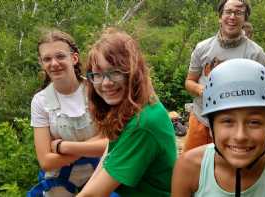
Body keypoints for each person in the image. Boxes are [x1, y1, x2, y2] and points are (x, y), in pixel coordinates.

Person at [172, 58, 265, 197]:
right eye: (227, 121)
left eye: (254, 122)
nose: (240, 136)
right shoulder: (189, 167)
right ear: (211, 128)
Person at [76, 28, 177, 197]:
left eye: (115, 72)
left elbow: (94, 195)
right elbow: (109, 154)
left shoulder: (143, 123)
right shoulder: (134, 106)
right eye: (98, 75)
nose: (106, 83)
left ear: (133, 72)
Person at [28, 29, 107, 197]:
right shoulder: (40, 101)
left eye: (60, 56)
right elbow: (46, 161)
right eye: (47, 59)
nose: (54, 63)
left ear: (74, 58)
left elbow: (108, 144)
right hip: (59, 176)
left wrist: (61, 147)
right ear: (41, 63)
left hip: (100, 170)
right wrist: (92, 146)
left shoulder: (95, 89)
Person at [183, 0, 265, 151]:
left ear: (245, 19)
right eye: (228, 12)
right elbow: (190, 81)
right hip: (201, 120)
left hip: (235, 129)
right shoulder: (203, 48)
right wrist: (203, 90)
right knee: (191, 166)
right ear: (220, 16)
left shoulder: (256, 53)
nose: (232, 16)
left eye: (239, 13)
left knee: (225, 172)